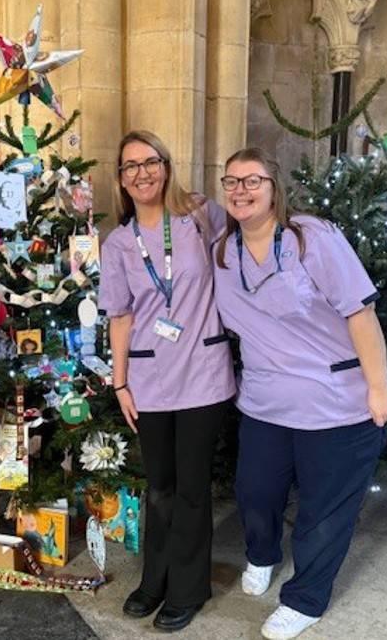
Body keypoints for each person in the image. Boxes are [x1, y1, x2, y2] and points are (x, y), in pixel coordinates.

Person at [212, 148, 387, 640]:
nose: (241, 190)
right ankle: (262, 554)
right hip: (265, 402)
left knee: (323, 511)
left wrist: (379, 388)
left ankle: (306, 599)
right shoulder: (223, 251)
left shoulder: (311, 237)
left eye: (253, 180)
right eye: (231, 181)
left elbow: (360, 314)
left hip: (334, 401)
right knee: (255, 492)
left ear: (275, 187)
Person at [99, 130, 236, 632]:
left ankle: (187, 587)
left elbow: (236, 267)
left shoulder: (202, 215)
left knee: (193, 487)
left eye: (150, 162)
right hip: (149, 375)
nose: (142, 173)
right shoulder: (118, 243)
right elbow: (120, 315)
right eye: (130, 166)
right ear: (121, 179)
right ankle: (153, 580)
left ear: (166, 165)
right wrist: (120, 383)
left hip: (202, 373)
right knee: (159, 486)